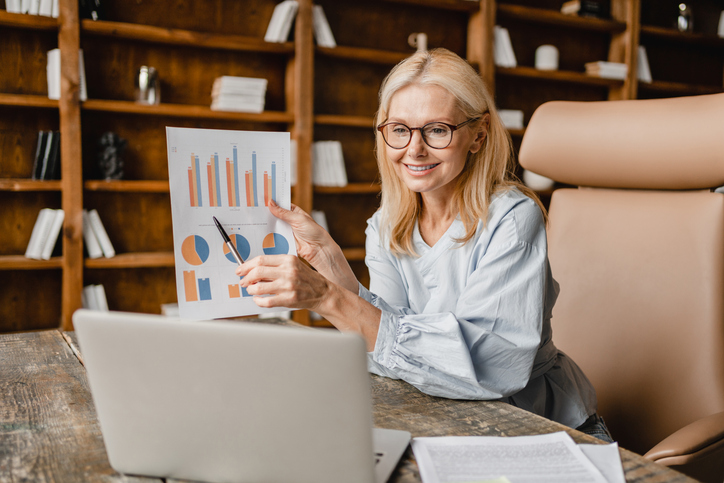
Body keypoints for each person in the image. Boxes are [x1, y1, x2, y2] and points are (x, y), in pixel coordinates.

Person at [237, 48, 612, 441]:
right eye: (399, 129)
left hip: (544, 430)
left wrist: (327, 298)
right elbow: (392, 348)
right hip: (452, 423)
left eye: (436, 130)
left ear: (478, 135)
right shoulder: (386, 224)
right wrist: (329, 263)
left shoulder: (512, 218)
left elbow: (490, 368)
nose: (413, 149)